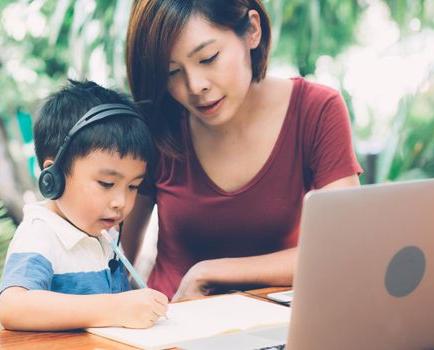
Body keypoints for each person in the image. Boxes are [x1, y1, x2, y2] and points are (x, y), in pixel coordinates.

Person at [124, 0, 363, 301]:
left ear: (252, 30)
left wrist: (208, 272)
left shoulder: (316, 111)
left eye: (208, 58)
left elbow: (345, 248)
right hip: (177, 330)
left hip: (277, 331)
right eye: (172, 72)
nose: (195, 86)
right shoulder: (157, 124)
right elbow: (115, 260)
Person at [0, 80, 168, 331]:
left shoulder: (103, 236)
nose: (121, 202)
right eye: (106, 183)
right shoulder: (40, 234)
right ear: (53, 176)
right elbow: (13, 307)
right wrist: (116, 308)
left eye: (133, 186)